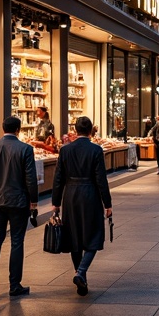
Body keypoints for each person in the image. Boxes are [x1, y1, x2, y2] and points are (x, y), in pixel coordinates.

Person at [0, 116, 39, 297]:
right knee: (17, 241)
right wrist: (33, 201)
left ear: (2, 128)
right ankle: (14, 284)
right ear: (18, 129)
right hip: (18, 203)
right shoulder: (25, 149)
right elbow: (30, 178)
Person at [52, 115, 113, 295]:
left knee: (74, 236)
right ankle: (81, 272)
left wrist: (55, 202)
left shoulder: (65, 150)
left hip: (70, 195)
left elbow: (58, 179)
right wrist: (107, 203)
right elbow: (101, 179)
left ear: (75, 130)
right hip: (90, 194)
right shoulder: (96, 150)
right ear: (90, 131)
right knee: (94, 234)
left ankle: (80, 275)